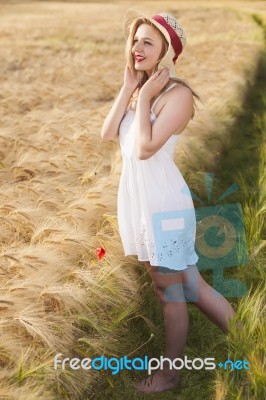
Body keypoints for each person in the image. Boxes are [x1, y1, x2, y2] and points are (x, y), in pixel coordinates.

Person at [101, 8, 237, 394]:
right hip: (142, 203)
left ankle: (170, 375)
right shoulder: (137, 92)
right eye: (135, 39)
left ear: (166, 52)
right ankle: (252, 340)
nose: (137, 47)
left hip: (164, 207)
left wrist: (143, 97)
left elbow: (144, 148)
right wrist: (130, 89)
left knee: (170, 292)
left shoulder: (177, 96)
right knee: (190, 286)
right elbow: (108, 132)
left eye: (148, 41)